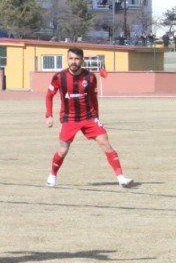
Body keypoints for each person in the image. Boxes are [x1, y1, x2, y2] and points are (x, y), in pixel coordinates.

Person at [44, 47, 134, 189]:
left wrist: (97, 117)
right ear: (67, 59)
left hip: (89, 117)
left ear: (82, 60)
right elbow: (49, 95)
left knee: (105, 143)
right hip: (69, 119)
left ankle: (121, 178)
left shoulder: (91, 77)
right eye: (70, 58)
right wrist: (49, 115)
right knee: (63, 150)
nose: (73, 62)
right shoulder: (59, 77)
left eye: (76, 59)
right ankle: (52, 176)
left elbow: (93, 98)